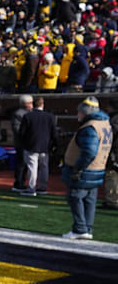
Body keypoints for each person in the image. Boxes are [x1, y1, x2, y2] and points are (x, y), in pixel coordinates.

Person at [61, 97, 113, 239]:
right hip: (97, 167)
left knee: (76, 197)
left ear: (85, 112)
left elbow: (89, 152)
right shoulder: (104, 124)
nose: (78, 114)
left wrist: (78, 168)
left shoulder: (90, 127)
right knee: (90, 200)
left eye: (79, 112)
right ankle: (87, 229)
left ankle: (80, 228)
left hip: (86, 169)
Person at [18, 97, 56, 196]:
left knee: (32, 167)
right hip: (45, 145)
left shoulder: (28, 116)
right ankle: (42, 187)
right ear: (42, 105)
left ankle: (31, 188)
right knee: (44, 167)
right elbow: (54, 133)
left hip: (31, 145)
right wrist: (54, 144)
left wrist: (23, 143)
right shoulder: (50, 117)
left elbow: (22, 133)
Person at [11, 95, 33, 191]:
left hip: (29, 143)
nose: (32, 105)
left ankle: (23, 182)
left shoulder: (31, 113)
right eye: (30, 103)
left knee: (26, 164)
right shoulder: (18, 114)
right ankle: (18, 183)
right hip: (21, 143)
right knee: (21, 164)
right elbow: (17, 129)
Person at [103, 99, 118, 210]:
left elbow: (111, 134)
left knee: (111, 175)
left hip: (114, 152)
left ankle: (112, 200)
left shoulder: (113, 120)